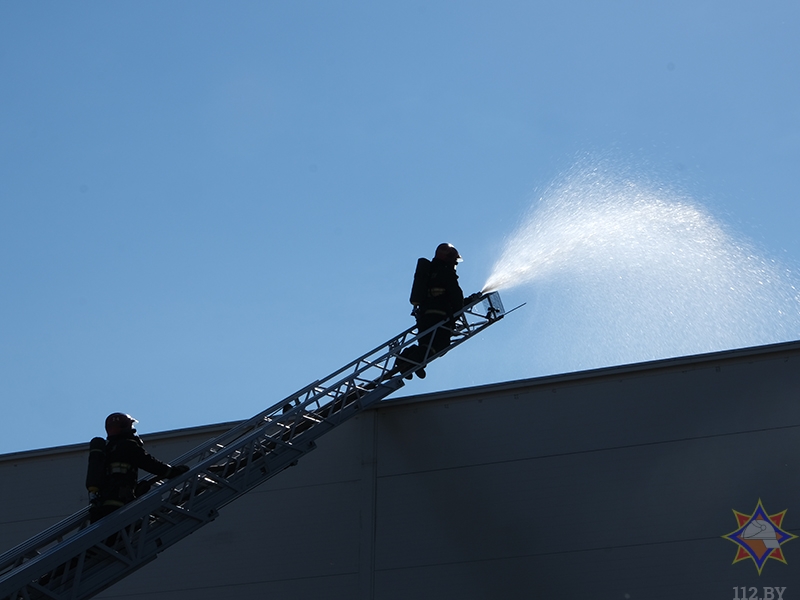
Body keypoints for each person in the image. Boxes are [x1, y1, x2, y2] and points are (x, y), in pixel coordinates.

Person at [395, 243, 480, 379]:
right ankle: (413, 363)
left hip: (423, 317)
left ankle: (406, 359)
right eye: (454, 261)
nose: (455, 264)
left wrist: (468, 301)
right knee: (440, 345)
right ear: (449, 258)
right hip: (440, 317)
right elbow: (456, 299)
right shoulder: (446, 273)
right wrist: (460, 310)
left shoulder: (429, 271)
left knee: (425, 344)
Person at [86, 413, 190, 523]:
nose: (133, 430)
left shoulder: (107, 449)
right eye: (131, 426)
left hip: (101, 505)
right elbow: (149, 463)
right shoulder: (127, 445)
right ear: (124, 426)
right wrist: (172, 472)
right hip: (120, 507)